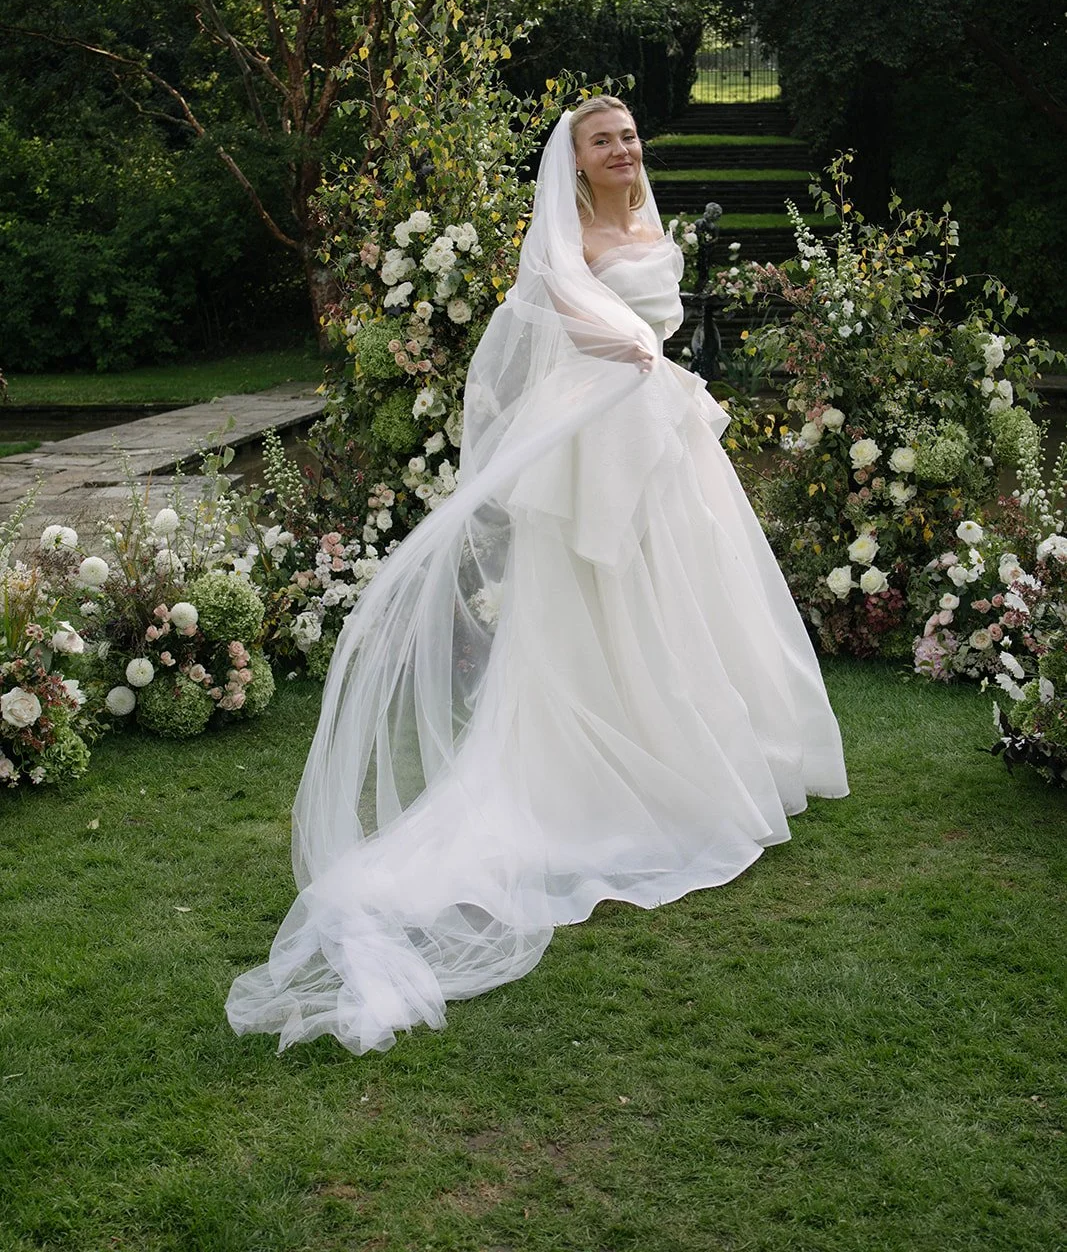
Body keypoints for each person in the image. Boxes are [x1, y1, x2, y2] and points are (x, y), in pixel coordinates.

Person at [227, 97, 848, 1056]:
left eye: (630, 136)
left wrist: (650, 353)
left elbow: (659, 313)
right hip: (596, 430)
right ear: (577, 159)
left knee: (689, 590)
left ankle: (713, 752)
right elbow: (564, 316)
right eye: (605, 140)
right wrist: (630, 345)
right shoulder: (562, 237)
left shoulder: (644, 217)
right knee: (599, 603)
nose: (623, 149)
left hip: (662, 425)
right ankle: (600, 774)